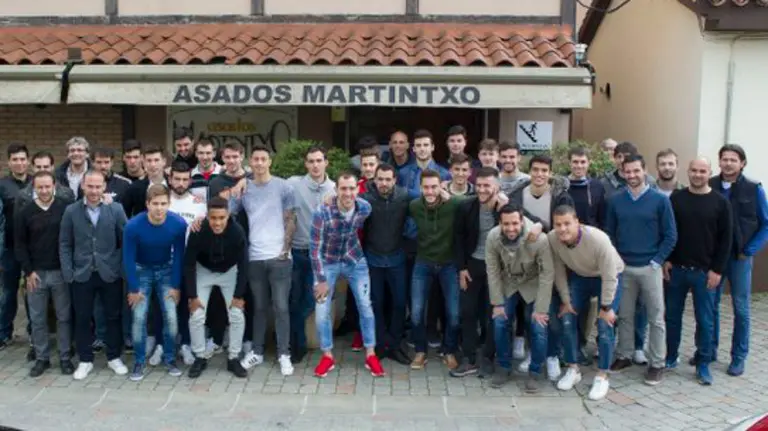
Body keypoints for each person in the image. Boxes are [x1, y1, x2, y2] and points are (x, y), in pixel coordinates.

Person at [606, 154, 676, 386]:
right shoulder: (616, 200)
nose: (632, 175)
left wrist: (657, 261)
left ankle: (656, 363)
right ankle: (624, 355)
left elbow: (670, 235)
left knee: (656, 317)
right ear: (622, 173)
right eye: (628, 171)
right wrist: (617, 262)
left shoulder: (659, 200)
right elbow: (610, 234)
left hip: (650, 267)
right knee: (624, 315)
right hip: (624, 268)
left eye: (637, 171)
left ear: (645, 171)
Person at [309, 171, 385, 378]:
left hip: (354, 260)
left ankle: (370, 353)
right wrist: (321, 280)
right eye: (343, 188)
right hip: (328, 262)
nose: (348, 193)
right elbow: (314, 248)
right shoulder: (322, 212)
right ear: (336, 190)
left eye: (352, 188)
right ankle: (327, 356)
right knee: (322, 310)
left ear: (357, 190)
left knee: (365, 306)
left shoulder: (364, 208)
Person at [664, 157, 732, 385]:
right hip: (677, 270)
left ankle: (703, 364)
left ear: (710, 172)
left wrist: (717, 270)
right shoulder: (677, 198)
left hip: (705, 273)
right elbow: (669, 231)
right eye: (693, 170)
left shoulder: (721, 203)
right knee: (672, 317)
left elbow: (726, 240)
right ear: (688, 172)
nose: (697, 174)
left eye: (702, 171)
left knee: (705, 320)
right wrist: (667, 260)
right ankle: (670, 356)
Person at [59, 170, 130, 380]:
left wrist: (120, 267)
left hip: (110, 272)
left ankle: (114, 357)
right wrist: (68, 271)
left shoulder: (115, 209)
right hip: (81, 273)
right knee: (82, 318)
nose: (94, 191)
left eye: (98, 187)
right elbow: (64, 243)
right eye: (90, 186)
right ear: (83, 185)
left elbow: (125, 239)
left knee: (113, 316)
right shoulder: (71, 211)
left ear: (104, 188)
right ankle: (85, 359)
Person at [549, 205, 624, 400]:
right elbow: (558, 271)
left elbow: (610, 276)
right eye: (558, 224)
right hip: (581, 276)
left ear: (577, 222)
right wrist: (566, 300)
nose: (562, 229)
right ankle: (573, 369)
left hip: (608, 276)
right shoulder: (553, 239)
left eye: (567, 223)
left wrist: (607, 307)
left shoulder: (598, 239)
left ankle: (602, 375)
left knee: (604, 324)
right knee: (567, 317)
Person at [236, 144, 296, 377]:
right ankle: (258, 352)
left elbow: (291, 219)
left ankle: (284, 354)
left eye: (263, 159)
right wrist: (240, 182)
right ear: (250, 163)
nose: (259, 163)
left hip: (279, 257)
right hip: (254, 257)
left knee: (281, 307)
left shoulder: (284, 187)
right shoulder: (244, 188)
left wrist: (285, 250)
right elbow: (227, 209)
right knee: (259, 307)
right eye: (256, 159)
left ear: (270, 162)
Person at [708, 144, 768, 376]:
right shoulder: (710, 185)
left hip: (739, 259)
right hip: (714, 259)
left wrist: (750, 250)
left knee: (741, 308)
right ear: (719, 162)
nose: (728, 163)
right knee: (709, 305)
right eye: (725, 159)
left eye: (734, 159)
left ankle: (738, 357)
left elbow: (765, 223)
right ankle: (708, 350)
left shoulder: (754, 189)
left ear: (742, 163)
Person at [486, 205, 557, 392]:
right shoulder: (493, 237)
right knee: (500, 321)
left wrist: (541, 309)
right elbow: (492, 270)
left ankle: (535, 372)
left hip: (532, 283)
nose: (511, 228)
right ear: (500, 223)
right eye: (506, 224)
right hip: (508, 283)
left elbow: (547, 274)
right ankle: (503, 366)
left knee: (538, 325)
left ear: (522, 221)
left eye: (515, 223)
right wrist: (497, 303)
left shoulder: (539, 239)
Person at [122, 184, 187, 381]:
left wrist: (176, 286)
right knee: (139, 317)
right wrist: (133, 288)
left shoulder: (178, 224)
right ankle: (139, 360)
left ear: (169, 204)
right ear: (147, 204)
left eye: (163, 204)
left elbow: (179, 257)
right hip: (142, 270)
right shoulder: (133, 226)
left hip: (166, 270)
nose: (159, 208)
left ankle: (169, 358)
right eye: (155, 204)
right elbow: (128, 258)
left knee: (171, 316)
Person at [15, 171, 73, 377]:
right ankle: (42, 358)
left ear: (54, 185)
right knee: (38, 319)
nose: (44, 190)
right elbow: (20, 245)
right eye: (40, 187)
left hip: (60, 273)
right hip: (35, 275)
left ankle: (65, 357)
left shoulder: (65, 209)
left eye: (48, 186)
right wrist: (28, 272)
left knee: (64, 317)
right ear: (34, 188)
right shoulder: (25, 212)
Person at [185, 197, 249, 378]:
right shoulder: (198, 231)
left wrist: (239, 295)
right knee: (197, 314)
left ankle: (234, 358)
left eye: (222, 218)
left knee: (236, 313)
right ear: (207, 216)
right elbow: (189, 264)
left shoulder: (237, 232)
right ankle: (199, 356)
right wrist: (192, 295)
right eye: (213, 218)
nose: (217, 222)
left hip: (229, 271)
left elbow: (244, 264)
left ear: (228, 215)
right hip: (203, 270)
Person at [286, 145, 335, 364]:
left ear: (326, 162)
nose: (315, 165)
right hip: (297, 252)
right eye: (311, 161)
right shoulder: (294, 184)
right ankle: (297, 346)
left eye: (319, 160)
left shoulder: (335, 189)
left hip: (321, 258)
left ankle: (296, 342)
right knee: (293, 300)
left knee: (308, 301)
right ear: (306, 164)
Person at [452, 167, 504, 378]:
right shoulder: (466, 207)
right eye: (479, 185)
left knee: (491, 314)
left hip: (496, 269)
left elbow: (528, 223)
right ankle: (469, 357)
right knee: (467, 312)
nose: (482, 190)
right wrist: (461, 268)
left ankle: (488, 358)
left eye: (487, 186)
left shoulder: (505, 208)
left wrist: (536, 225)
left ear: (497, 187)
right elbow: (458, 239)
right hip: (472, 265)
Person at [408, 169, 462, 370]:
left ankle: (449, 351)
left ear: (441, 187)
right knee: (416, 312)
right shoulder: (414, 206)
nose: (430, 191)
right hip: (423, 263)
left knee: (454, 314)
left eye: (434, 187)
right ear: (420, 188)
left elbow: (474, 201)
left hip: (448, 265)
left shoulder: (453, 204)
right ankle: (421, 351)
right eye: (426, 187)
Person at [360, 163, 412, 365]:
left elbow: (427, 197)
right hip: (373, 258)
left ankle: (396, 344)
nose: (383, 183)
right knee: (376, 303)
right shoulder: (365, 199)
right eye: (380, 179)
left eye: (387, 179)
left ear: (394, 180)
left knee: (400, 303)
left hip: (397, 258)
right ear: (374, 180)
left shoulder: (404, 196)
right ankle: (381, 344)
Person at [0, 143, 31, 351]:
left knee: (32, 294)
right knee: (8, 293)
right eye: (15, 159)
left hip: (32, 249)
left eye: (22, 159)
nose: (19, 163)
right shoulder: (2, 186)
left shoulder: (37, 183)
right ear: (8, 162)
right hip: (10, 249)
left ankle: (34, 332)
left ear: (28, 161)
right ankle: (4, 333)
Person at [397, 129, 451, 200]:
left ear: (432, 147)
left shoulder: (445, 174)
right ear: (413, 149)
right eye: (418, 145)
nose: (422, 149)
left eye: (426, 145)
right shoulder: (403, 173)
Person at [121, 146, 168, 217]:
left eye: (156, 160)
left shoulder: (173, 184)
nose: (153, 165)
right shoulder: (134, 188)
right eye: (149, 160)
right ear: (143, 163)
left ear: (164, 162)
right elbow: (124, 215)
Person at [567, 147, 606, 228]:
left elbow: (602, 217)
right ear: (569, 163)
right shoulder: (561, 186)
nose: (579, 166)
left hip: (590, 234)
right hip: (566, 233)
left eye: (583, 162)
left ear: (589, 163)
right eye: (575, 162)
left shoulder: (597, 186)